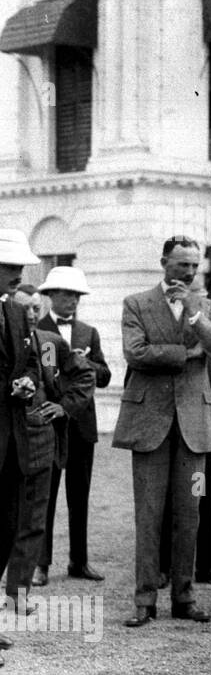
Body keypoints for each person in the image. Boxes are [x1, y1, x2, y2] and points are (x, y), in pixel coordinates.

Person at [112, 236, 211, 627]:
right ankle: (144, 600)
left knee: (190, 513)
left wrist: (196, 315)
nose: (190, 272)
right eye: (182, 265)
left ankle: (184, 597)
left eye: (195, 266)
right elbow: (136, 352)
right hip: (150, 424)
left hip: (194, 425)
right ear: (164, 262)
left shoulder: (207, 306)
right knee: (148, 514)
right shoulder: (137, 303)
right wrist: (187, 354)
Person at [2, 285, 92, 611]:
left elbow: (78, 376)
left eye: (35, 308)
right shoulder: (2, 342)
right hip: (4, 443)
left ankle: (17, 596)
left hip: (39, 442)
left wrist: (63, 406)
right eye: (22, 307)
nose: (29, 313)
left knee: (33, 522)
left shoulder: (48, 345)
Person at [35, 265, 111, 586]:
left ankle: (79, 561)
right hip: (49, 423)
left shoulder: (88, 332)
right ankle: (41, 565)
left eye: (77, 295)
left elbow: (104, 376)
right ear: (50, 296)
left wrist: (84, 361)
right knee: (45, 496)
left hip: (81, 424)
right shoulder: (34, 329)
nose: (73, 301)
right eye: (66, 294)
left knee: (79, 495)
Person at [159, 355, 211, 586]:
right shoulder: (160, 333)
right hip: (167, 431)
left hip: (201, 434)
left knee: (201, 493)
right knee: (165, 497)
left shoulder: (206, 334)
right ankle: (163, 567)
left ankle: (206, 565)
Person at [0, 230, 44, 632]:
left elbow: (29, 361)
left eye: (19, 267)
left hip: (13, 443)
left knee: (8, 528)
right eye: (9, 267)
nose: (18, 274)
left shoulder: (16, 313)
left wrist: (27, 381)